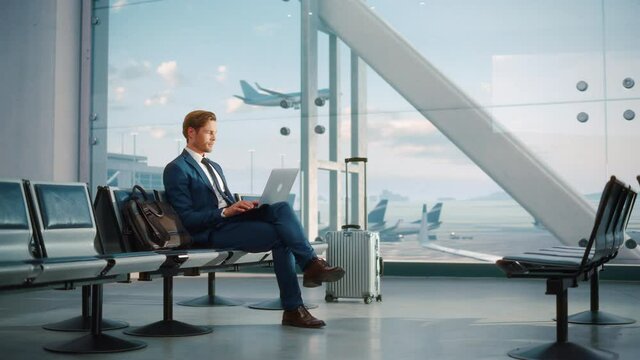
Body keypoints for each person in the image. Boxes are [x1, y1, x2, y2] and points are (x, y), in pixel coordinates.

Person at [163, 110, 345, 328]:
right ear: (191, 132)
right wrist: (225, 212)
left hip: (232, 221)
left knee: (281, 207)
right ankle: (296, 302)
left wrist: (244, 207)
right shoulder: (176, 169)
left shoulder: (214, 166)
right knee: (281, 236)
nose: (214, 137)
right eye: (209, 132)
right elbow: (187, 219)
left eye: (215, 133)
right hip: (212, 231)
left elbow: (224, 200)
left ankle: (309, 268)